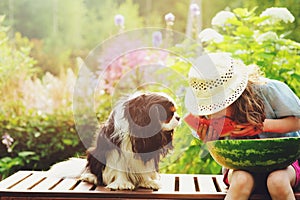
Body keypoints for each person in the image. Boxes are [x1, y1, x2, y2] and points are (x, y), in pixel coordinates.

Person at [184, 53, 300, 200]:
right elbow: (220, 143)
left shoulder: (268, 90)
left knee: (277, 182)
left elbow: (297, 122)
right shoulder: (203, 111)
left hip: (284, 164)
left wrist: (262, 126)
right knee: (241, 181)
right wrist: (210, 138)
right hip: (238, 167)